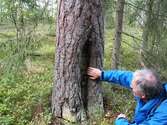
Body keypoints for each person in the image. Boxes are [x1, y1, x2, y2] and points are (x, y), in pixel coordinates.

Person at [87, 67, 167, 125]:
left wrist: (121, 121)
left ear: (143, 95)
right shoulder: (145, 83)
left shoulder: (163, 114)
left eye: (132, 88)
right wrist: (102, 74)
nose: (130, 85)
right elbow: (124, 77)